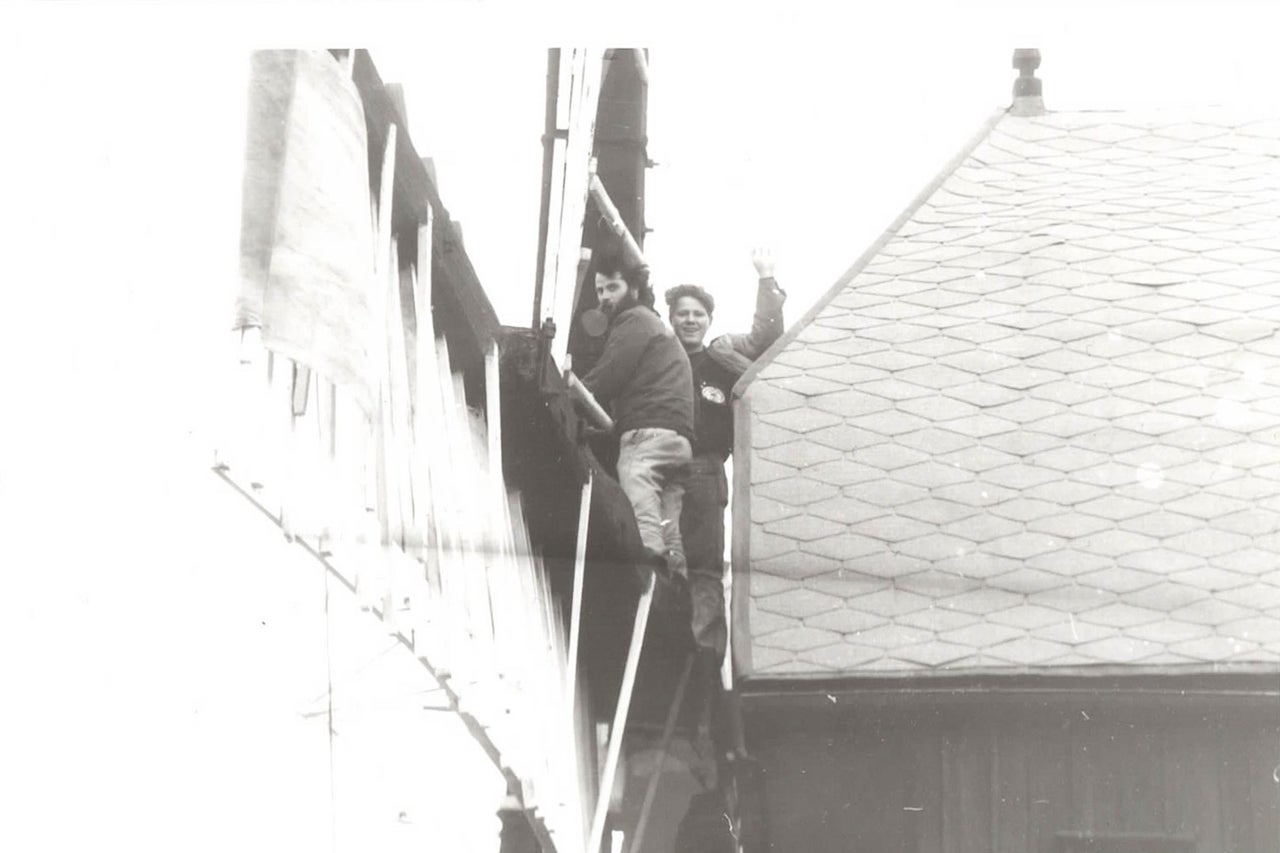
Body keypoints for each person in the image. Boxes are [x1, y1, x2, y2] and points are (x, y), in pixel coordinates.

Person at [664, 249, 785, 658]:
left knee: (704, 569)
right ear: (672, 319)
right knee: (662, 559)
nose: (691, 320)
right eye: (683, 313)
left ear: (709, 320)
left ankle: (705, 659)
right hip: (661, 470)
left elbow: (764, 339)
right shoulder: (659, 358)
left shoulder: (720, 357)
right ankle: (668, 649)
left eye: (698, 313)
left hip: (704, 471)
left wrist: (766, 278)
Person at [581, 244, 695, 576]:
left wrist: (572, 392)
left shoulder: (634, 320)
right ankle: (674, 577)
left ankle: (649, 565)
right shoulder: (656, 325)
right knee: (666, 513)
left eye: (612, 287)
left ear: (634, 288)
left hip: (648, 433)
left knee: (637, 487)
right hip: (680, 440)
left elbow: (610, 373)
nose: (604, 297)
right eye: (599, 289)